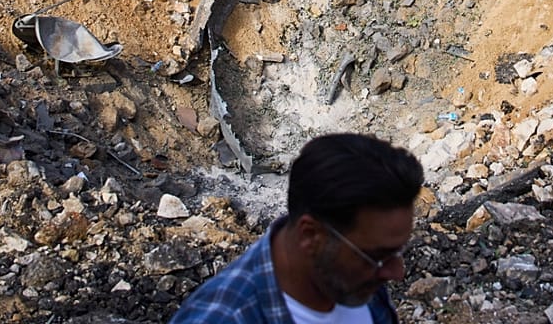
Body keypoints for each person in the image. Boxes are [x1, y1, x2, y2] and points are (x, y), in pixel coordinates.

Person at [170, 133, 423, 324]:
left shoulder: (356, 280)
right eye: (378, 256)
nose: (396, 273)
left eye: (397, 252)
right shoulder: (225, 317)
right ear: (311, 235)